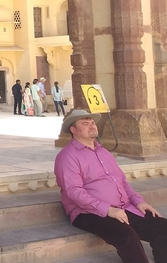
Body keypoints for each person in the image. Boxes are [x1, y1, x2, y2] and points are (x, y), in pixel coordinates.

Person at [55, 109, 167, 262]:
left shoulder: (103, 152)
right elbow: (73, 192)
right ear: (73, 130)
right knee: (127, 235)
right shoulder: (67, 156)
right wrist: (107, 209)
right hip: (88, 213)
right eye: (85, 123)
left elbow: (122, 182)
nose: (92, 126)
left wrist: (139, 201)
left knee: (162, 227)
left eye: (93, 123)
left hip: (122, 207)